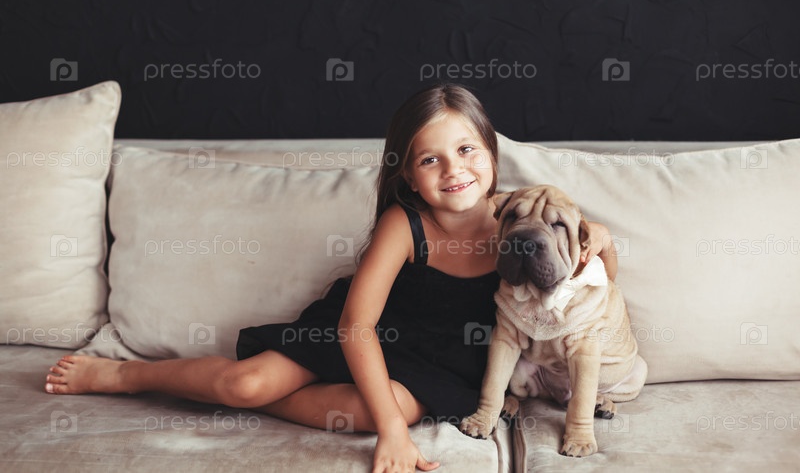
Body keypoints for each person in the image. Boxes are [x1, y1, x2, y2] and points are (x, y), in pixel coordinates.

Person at [45, 83, 617, 472]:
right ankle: (129, 375)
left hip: (447, 359)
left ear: (491, 153)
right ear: (408, 175)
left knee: (378, 412)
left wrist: (605, 242)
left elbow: (597, 291)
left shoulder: (523, 219)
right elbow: (356, 326)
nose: (454, 170)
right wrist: (393, 437)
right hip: (361, 334)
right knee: (246, 385)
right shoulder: (404, 224)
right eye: (430, 159)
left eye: (467, 149)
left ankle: (309, 406)